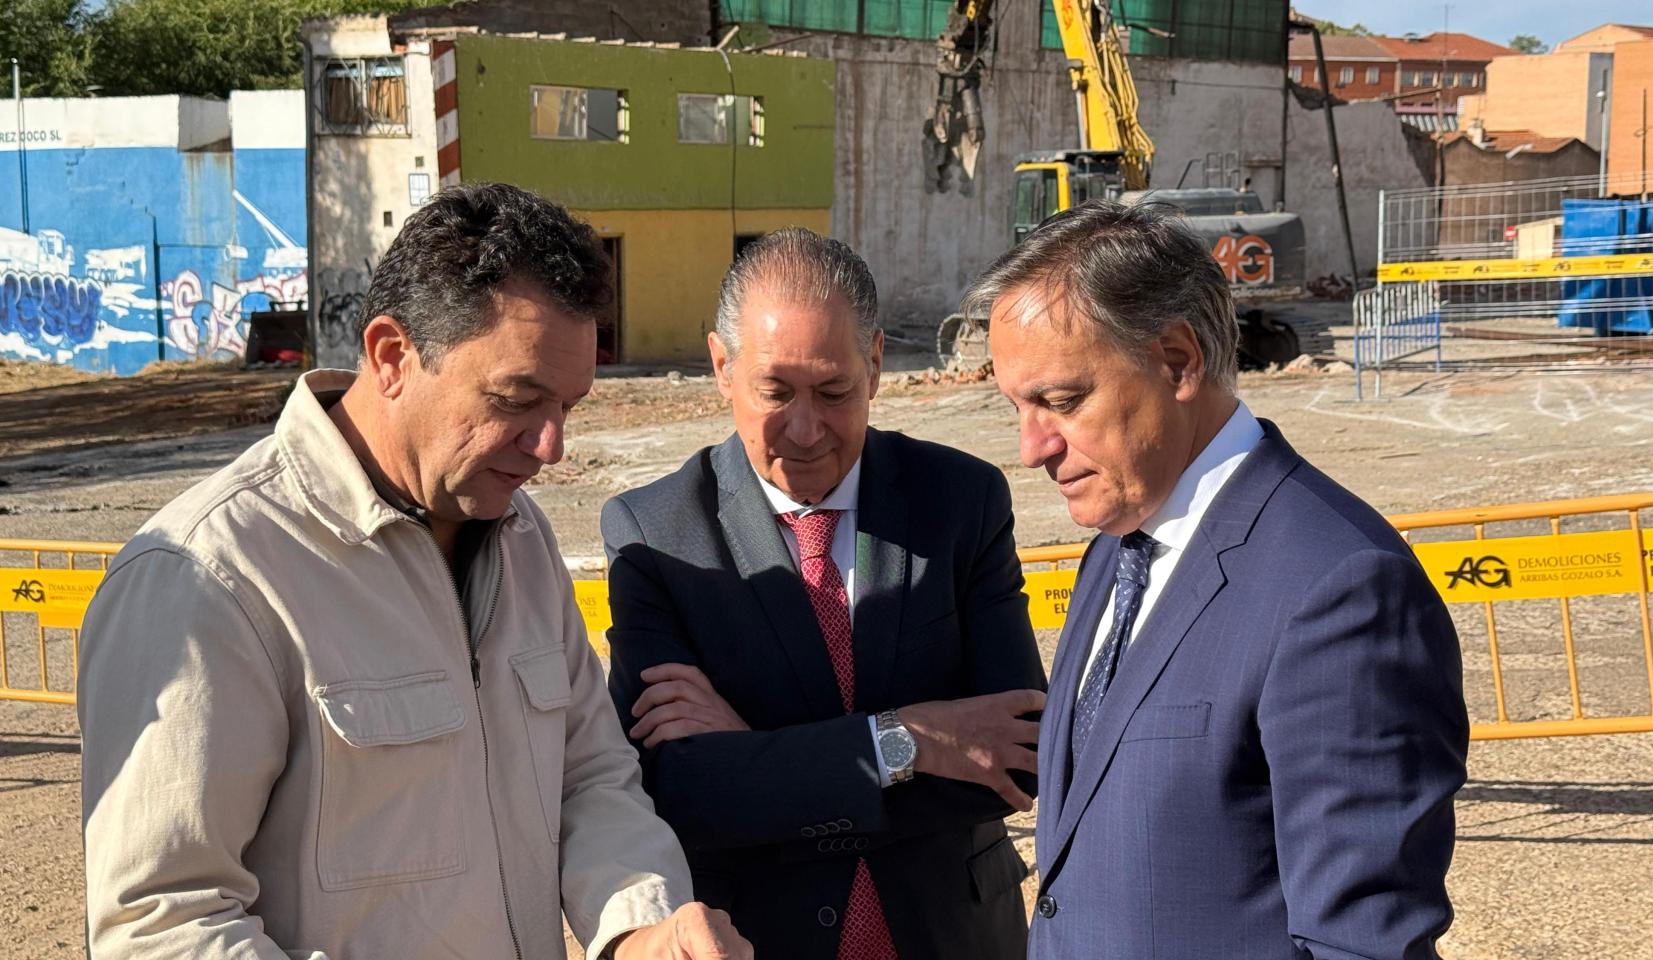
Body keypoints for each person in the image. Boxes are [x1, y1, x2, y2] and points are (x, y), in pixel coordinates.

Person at [78, 182, 751, 960]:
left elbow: (588, 777)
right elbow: (159, 925)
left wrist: (641, 926)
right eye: (516, 399)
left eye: (568, 407)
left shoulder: (520, 538)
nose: (550, 447)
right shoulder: (206, 578)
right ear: (392, 356)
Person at [970, 199, 1470, 960]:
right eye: (1017, 406)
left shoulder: (1342, 590)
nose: (1031, 446)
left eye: (1062, 402)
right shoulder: (1120, 540)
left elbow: (1361, 945)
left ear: (1177, 361)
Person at [601, 228, 1046, 960]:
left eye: (834, 391)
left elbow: (1013, 758)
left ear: (874, 363)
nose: (805, 430)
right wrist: (908, 742)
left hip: (954, 937)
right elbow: (680, 792)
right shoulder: (654, 536)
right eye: (774, 392)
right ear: (722, 366)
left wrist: (761, 756)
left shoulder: (960, 500)